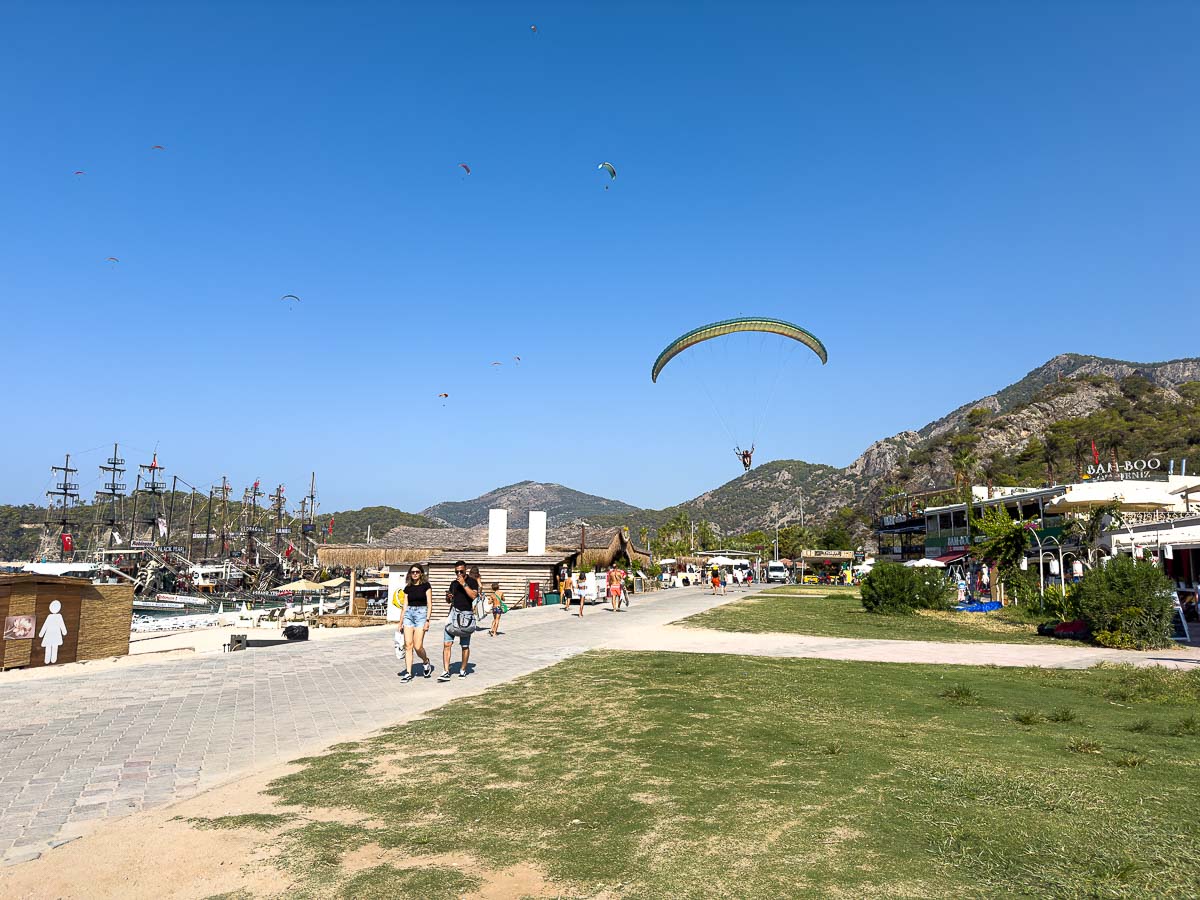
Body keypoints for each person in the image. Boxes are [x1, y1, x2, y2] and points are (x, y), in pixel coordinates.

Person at [440, 560, 479, 681]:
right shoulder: (453, 583)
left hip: (466, 617)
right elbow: (449, 601)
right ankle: (446, 671)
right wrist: (448, 597)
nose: (459, 573)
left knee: (465, 645)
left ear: (466, 569)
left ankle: (462, 669)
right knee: (447, 644)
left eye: (461, 571)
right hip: (453, 615)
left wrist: (463, 584)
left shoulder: (472, 582)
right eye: (456, 571)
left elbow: (473, 596)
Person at [397, 565, 433, 682]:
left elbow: (429, 604)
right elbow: (405, 605)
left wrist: (427, 620)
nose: (415, 574)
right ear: (410, 574)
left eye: (417, 572)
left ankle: (425, 661)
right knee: (408, 645)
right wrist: (400, 622)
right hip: (409, 615)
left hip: (421, 615)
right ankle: (408, 672)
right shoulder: (408, 588)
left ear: (421, 573)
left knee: (418, 646)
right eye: (413, 572)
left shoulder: (426, 586)